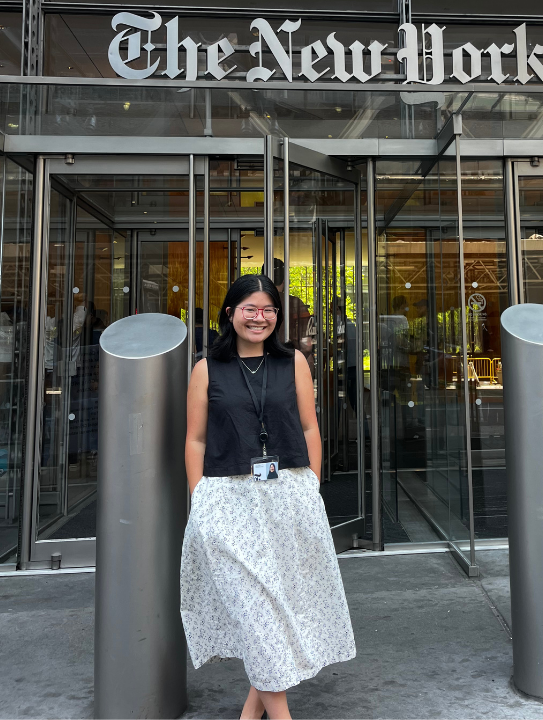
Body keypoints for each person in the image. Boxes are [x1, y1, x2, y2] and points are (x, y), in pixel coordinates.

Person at [181, 274, 356, 719]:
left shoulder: (294, 361)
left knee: (277, 611)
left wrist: (311, 485)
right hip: (228, 503)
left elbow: (311, 427)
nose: (259, 318)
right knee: (256, 612)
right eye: (249, 308)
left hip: (288, 497)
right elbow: (195, 439)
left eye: (268, 310)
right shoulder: (206, 368)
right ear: (229, 312)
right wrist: (199, 497)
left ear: (277, 317)